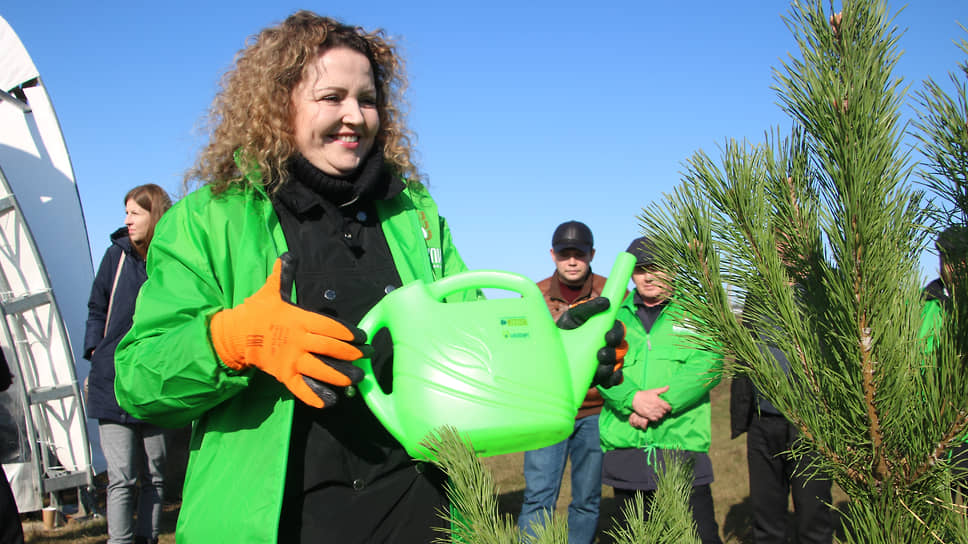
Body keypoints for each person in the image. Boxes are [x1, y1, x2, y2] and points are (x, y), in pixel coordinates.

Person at [112, 12, 624, 543]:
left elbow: (477, 343)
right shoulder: (208, 220)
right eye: (331, 97)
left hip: (423, 512)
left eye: (368, 98)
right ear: (278, 103)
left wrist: (560, 354)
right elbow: (138, 380)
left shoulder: (412, 214)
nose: (355, 116)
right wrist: (230, 342)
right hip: (280, 523)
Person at [598, 236, 723, 544]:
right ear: (631, 274)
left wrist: (659, 404)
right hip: (627, 447)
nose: (649, 276)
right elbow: (598, 366)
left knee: (699, 536)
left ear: (675, 269)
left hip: (681, 445)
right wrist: (632, 400)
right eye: (640, 269)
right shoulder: (611, 316)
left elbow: (709, 362)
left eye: (657, 267)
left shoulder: (698, 314)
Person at [518, 220, 622, 544]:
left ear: (593, 254)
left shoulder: (613, 292)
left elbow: (625, 346)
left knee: (588, 499)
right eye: (565, 253)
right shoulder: (532, 295)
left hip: (594, 411)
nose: (573, 260)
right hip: (548, 411)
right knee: (538, 496)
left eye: (580, 253)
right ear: (552, 255)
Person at [83, 183, 171, 544]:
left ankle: (147, 539)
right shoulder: (115, 256)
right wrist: (95, 353)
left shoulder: (172, 259)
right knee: (122, 477)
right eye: (126, 212)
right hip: (113, 381)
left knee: (156, 475)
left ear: (155, 216)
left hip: (157, 381)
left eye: (135, 212)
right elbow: (96, 307)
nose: (127, 220)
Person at [730, 290, 833, 542]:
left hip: (811, 424)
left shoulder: (822, 284)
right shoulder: (758, 291)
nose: (781, 247)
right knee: (765, 513)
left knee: (813, 514)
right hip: (762, 419)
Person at [920, 225, 968, 498]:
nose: (951, 265)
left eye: (959, 257)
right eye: (945, 257)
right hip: (931, 434)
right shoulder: (924, 305)